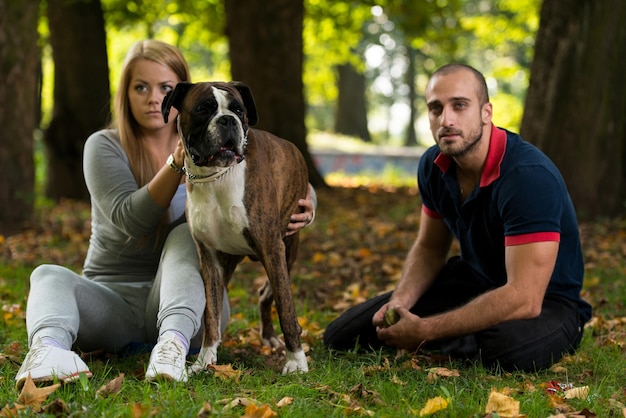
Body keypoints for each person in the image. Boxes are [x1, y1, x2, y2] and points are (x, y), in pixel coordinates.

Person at [15, 39, 316, 388]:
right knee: (48, 275)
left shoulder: (215, 137)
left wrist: (307, 203)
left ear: (179, 99)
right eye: (141, 87)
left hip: (188, 309)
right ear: (125, 93)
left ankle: (170, 348)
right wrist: (178, 162)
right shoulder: (104, 145)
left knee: (186, 232)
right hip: (113, 303)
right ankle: (46, 352)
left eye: (165, 88)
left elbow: (271, 175)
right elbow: (131, 220)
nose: (153, 98)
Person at [323, 63, 591, 372]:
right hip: (473, 281)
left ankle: (449, 336)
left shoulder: (527, 176)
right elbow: (430, 248)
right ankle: (456, 336)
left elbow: (524, 297)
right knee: (343, 334)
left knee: (502, 349)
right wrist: (401, 301)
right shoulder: (433, 165)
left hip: (547, 301)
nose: (446, 119)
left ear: (486, 112)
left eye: (459, 105)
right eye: (435, 108)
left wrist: (426, 330)